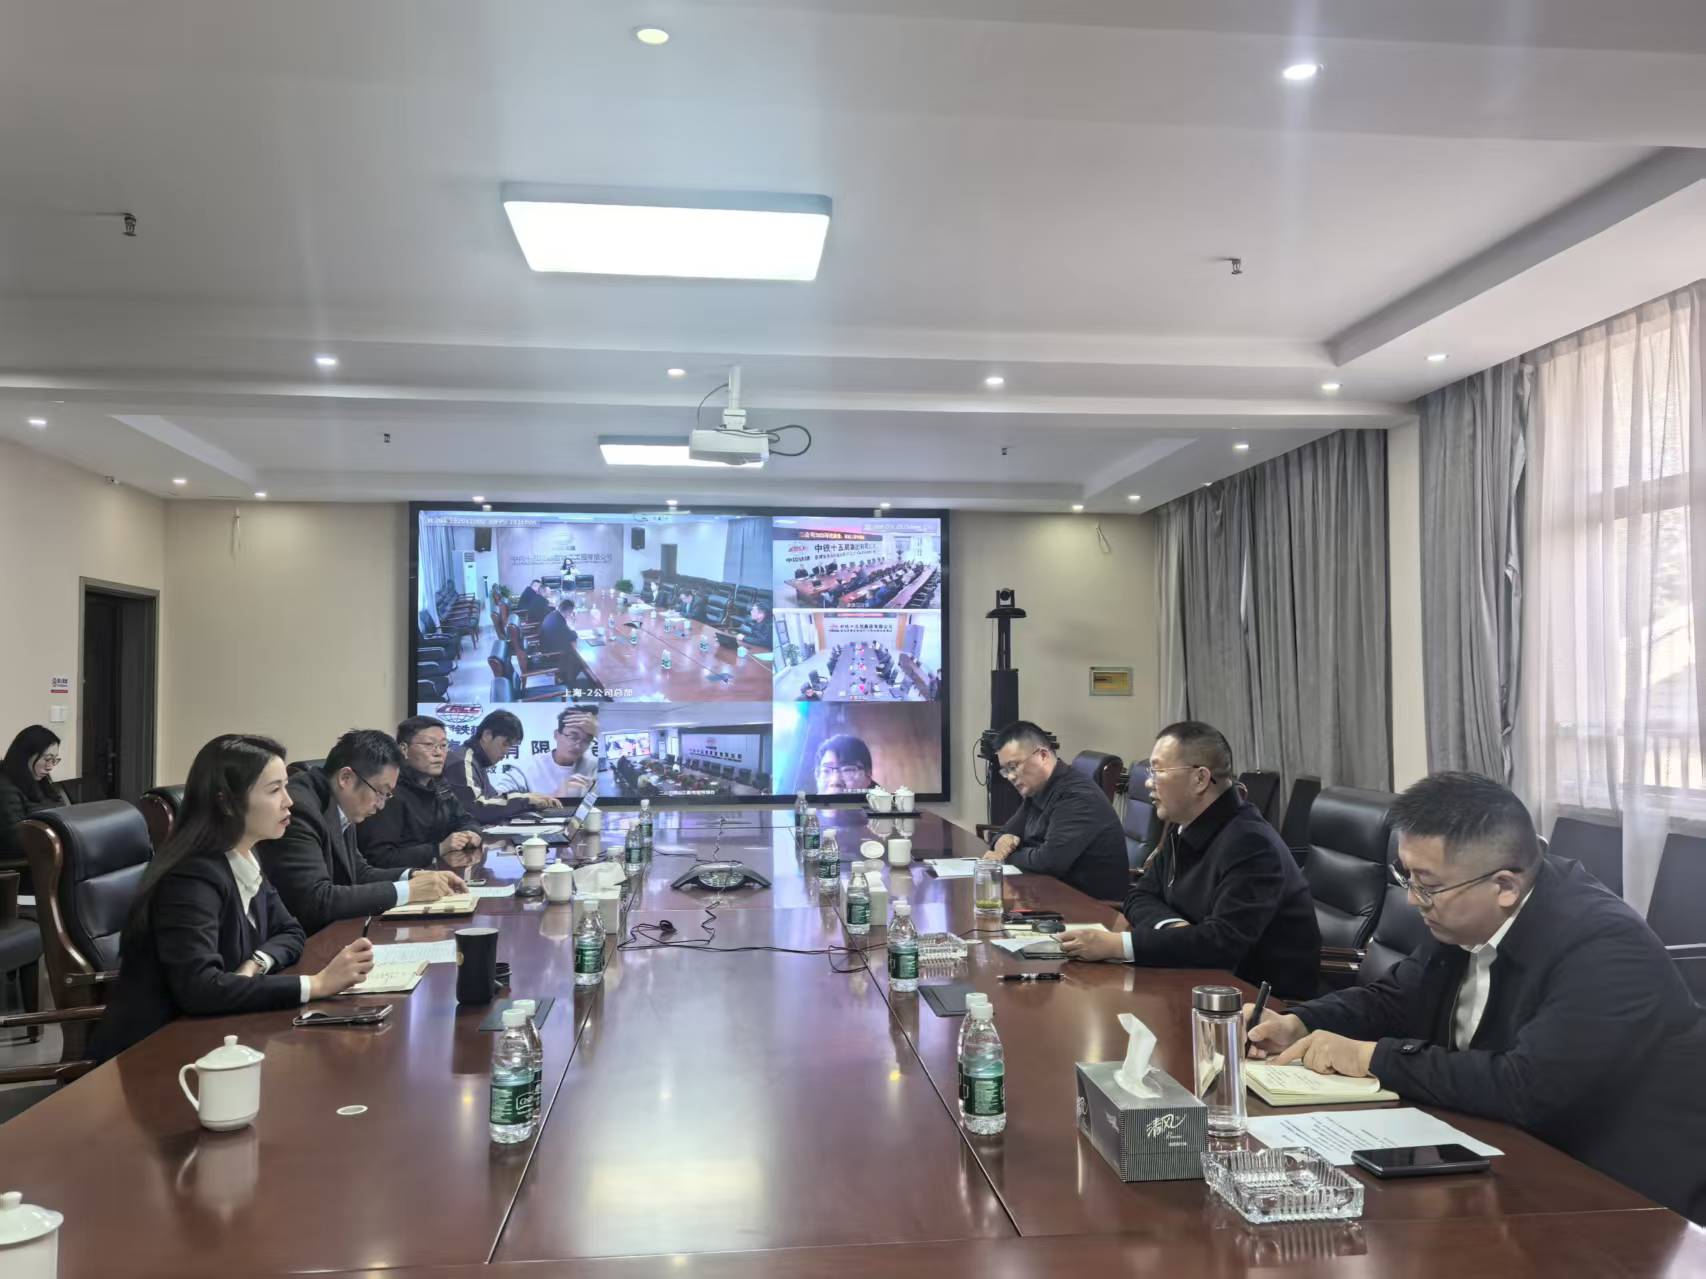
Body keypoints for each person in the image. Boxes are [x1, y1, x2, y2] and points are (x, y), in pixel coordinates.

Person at [1247, 772, 1706, 1224]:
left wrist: (1373, 1057)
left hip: (1617, 1198)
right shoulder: (1462, 914)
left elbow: (1527, 1088)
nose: (1413, 900)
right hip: (1497, 1153)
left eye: (1427, 885)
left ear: (1504, 886)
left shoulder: (1603, 949)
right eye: (1406, 876)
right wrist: (1300, 1022)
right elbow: (1398, 997)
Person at [88, 735, 374, 1063]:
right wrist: (316, 984)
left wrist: (255, 964)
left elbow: (291, 931)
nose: (289, 802)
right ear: (226, 802)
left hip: (217, 1038)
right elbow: (201, 990)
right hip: (155, 1054)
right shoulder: (191, 878)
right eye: (274, 790)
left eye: (286, 787)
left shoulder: (244, 856)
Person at [1060, 721, 1319, 996]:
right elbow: (1139, 895)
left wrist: (1118, 945)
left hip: (1257, 1003)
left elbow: (1222, 944)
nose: (1148, 782)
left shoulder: (1251, 844)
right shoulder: (1185, 825)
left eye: (1158, 771)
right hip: (1193, 979)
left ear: (1200, 779)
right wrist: (1175, 927)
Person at [256, 729, 465, 936]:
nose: (381, 805)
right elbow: (316, 899)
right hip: (302, 941)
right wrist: (410, 891)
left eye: (387, 795)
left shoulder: (339, 802)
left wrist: (413, 875)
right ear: (346, 777)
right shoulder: (301, 809)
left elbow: (359, 872)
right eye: (380, 792)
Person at [980, 721, 1128, 902]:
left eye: (1014, 766)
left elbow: (1048, 862)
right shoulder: (1037, 790)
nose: (1010, 776)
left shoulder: (1077, 796)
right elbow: (1005, 833)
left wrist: (1005, 855)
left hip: (1090, 907)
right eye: (1005, 771)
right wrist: (1001, 841)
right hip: (1049, 894)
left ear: (1042, 755)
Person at [356, 716, 484, 871]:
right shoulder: (388, 791)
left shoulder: (438, 784)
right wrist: (438, 849)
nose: (439, 753)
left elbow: (465, 819)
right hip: (401, 880)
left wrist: (471, 834)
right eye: (429, 745)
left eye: (443, 745)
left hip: (437, 872)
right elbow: (380, 857)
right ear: (403, 749)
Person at [445, 710, 560, 823]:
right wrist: (525, 800)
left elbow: (492, 798)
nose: (506, 752)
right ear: (487, 735)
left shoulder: (476, 760)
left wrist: (529, 797)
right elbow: (477, 808)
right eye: (505, 744)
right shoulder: (463, 761)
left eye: (511, 746)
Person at [0, 725, 70, 883]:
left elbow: (61, 811)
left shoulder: (39, 779)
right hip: (25, 866)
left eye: (55, 760)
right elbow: (13, 840)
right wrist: (61, 838)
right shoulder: (4, 787)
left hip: (49, 854)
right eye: (47, 759)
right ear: (26, 755)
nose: (50, 766)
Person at [509, 708, 599, 799]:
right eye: (573, 737)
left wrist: (598, 731)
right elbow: (504, 799)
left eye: (587, 740)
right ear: (556, 735)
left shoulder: (594, 767)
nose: (578, 746)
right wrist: (555, 796)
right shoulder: (528, 767)